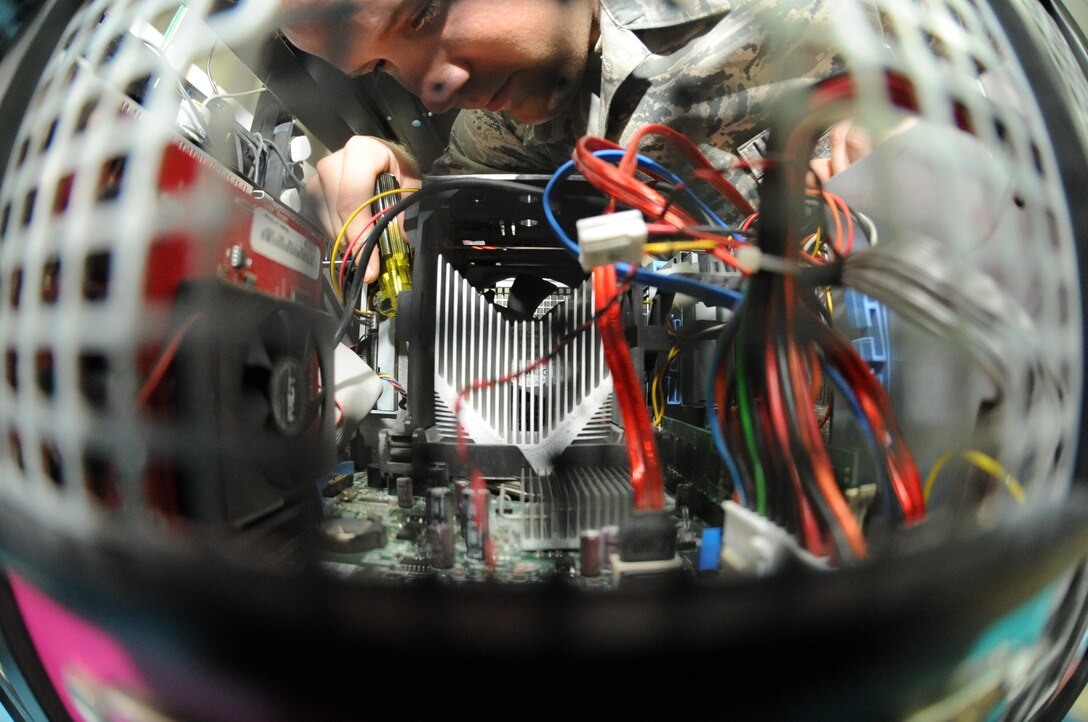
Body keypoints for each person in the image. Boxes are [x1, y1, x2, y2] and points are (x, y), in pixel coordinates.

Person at [280, 0, 849, 282]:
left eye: (424, 13)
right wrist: (394, 171)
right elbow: (451, 191)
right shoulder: (507, 121)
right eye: (381, 65)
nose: (434, 92)